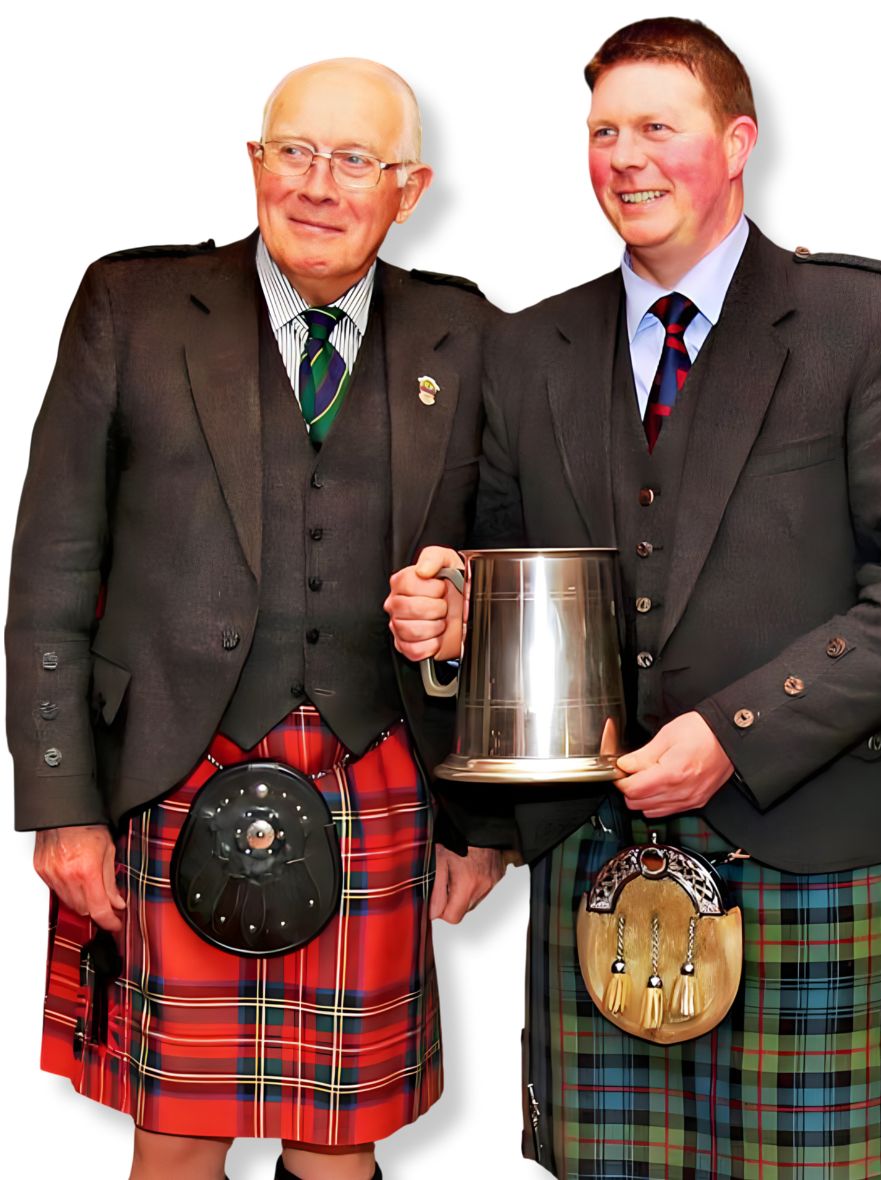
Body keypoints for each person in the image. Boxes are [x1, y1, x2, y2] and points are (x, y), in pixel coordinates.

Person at [385, 17, 881, 1179]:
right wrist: (456, 619)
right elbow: (500, 568)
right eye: (603, 131)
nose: (624, 157)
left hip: (810, 847)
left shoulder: (867, 321)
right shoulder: (526, 345)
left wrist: (735, 732)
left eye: (658, 126)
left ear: (738, 140)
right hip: (594, 856)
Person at [6, 57, 502, 1180]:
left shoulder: (468, 337)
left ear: (409, 188)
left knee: (339, 1141)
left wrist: (488, 822)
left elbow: (503, 580)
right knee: (176, 1136)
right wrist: (63, 805)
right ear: (254, 163)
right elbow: (51, 572)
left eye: (355, 160)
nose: (319, 185)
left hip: (378, 771)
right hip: (168, 771)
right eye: (296, 152)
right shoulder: (132, 307)